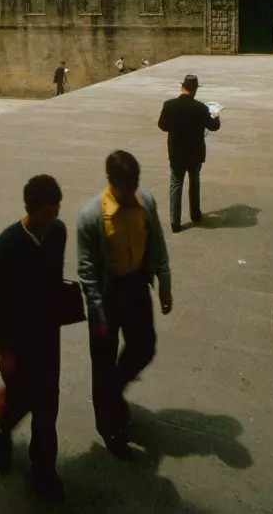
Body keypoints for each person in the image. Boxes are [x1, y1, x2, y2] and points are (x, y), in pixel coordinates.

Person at [77, 150, 171, 459]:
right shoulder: (91, 216)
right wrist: (98, 312)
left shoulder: (145, 202)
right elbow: (87, 269)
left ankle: (113, 392)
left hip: (135, 287)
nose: (131, 191)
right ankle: (108, 426)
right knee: (102, 364)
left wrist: (164, 283)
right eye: (125, 186)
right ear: (110, 182)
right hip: (106, 295)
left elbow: (157, 242)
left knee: (144, 346)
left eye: (135, 184)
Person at [0, 175, 66, 502]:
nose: (52, 221)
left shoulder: (58, 232)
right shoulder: (6, 246)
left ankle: (44, 468)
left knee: (48, 406)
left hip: (48, 337)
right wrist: (4, 351)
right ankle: (3, 428)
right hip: (18, 341)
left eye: (56, 212)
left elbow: (53, 280)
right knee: (20, 401)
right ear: (30, 211)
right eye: (46, 214)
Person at [157, 74, 221, 232]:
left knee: (176, 184)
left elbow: (162, 125)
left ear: (182, 87)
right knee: (194, 182)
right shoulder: (201, 108)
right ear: (195, 90)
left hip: (176, 153)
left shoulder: (169, 105)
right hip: (195, 153)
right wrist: (217, 116)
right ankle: (195, 214)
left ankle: (175, 222)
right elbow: (213, 126)